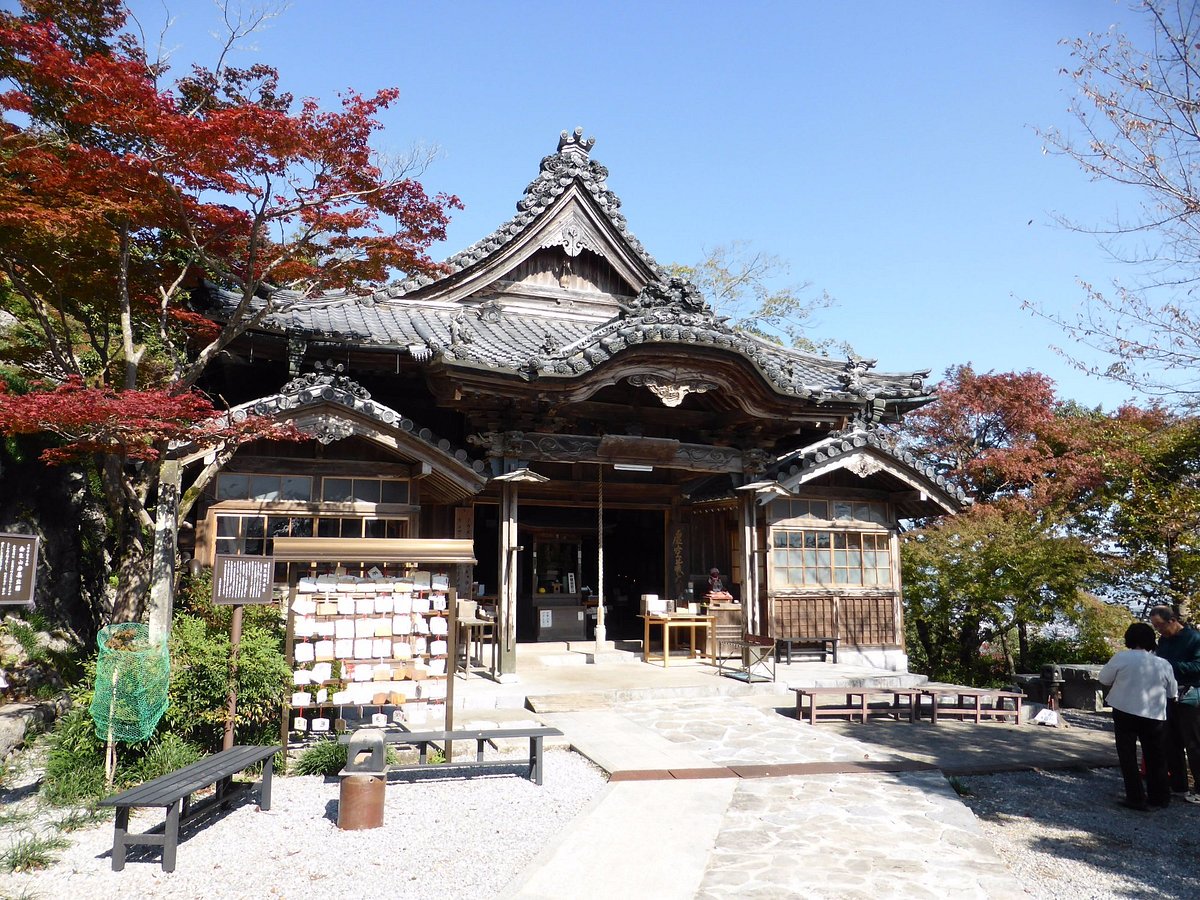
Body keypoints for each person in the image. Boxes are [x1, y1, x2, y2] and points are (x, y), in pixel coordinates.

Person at [1098, 622, 1177, 810]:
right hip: (1154, 713)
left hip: (1124, 709)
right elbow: (1171, 691)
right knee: (1156, 756)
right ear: (1152, 641)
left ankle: (1135, 797)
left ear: (1129, 639)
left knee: (1127, 755)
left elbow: (1104, 679)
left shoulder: (1122, 657)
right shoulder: (1163, 663)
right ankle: (1160, 797)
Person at [1149, 604, 1200, 802]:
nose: (1159, 630)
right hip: (1169, 696)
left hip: (1191, 696)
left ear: (1172, 620)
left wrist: (1169, 666)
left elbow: (1197, 666)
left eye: (1160, 625)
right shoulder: (1164, 640)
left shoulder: (1194, 639)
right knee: (1171, 743)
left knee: (1194, 744)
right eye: (1155, 627)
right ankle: (1179, 786)